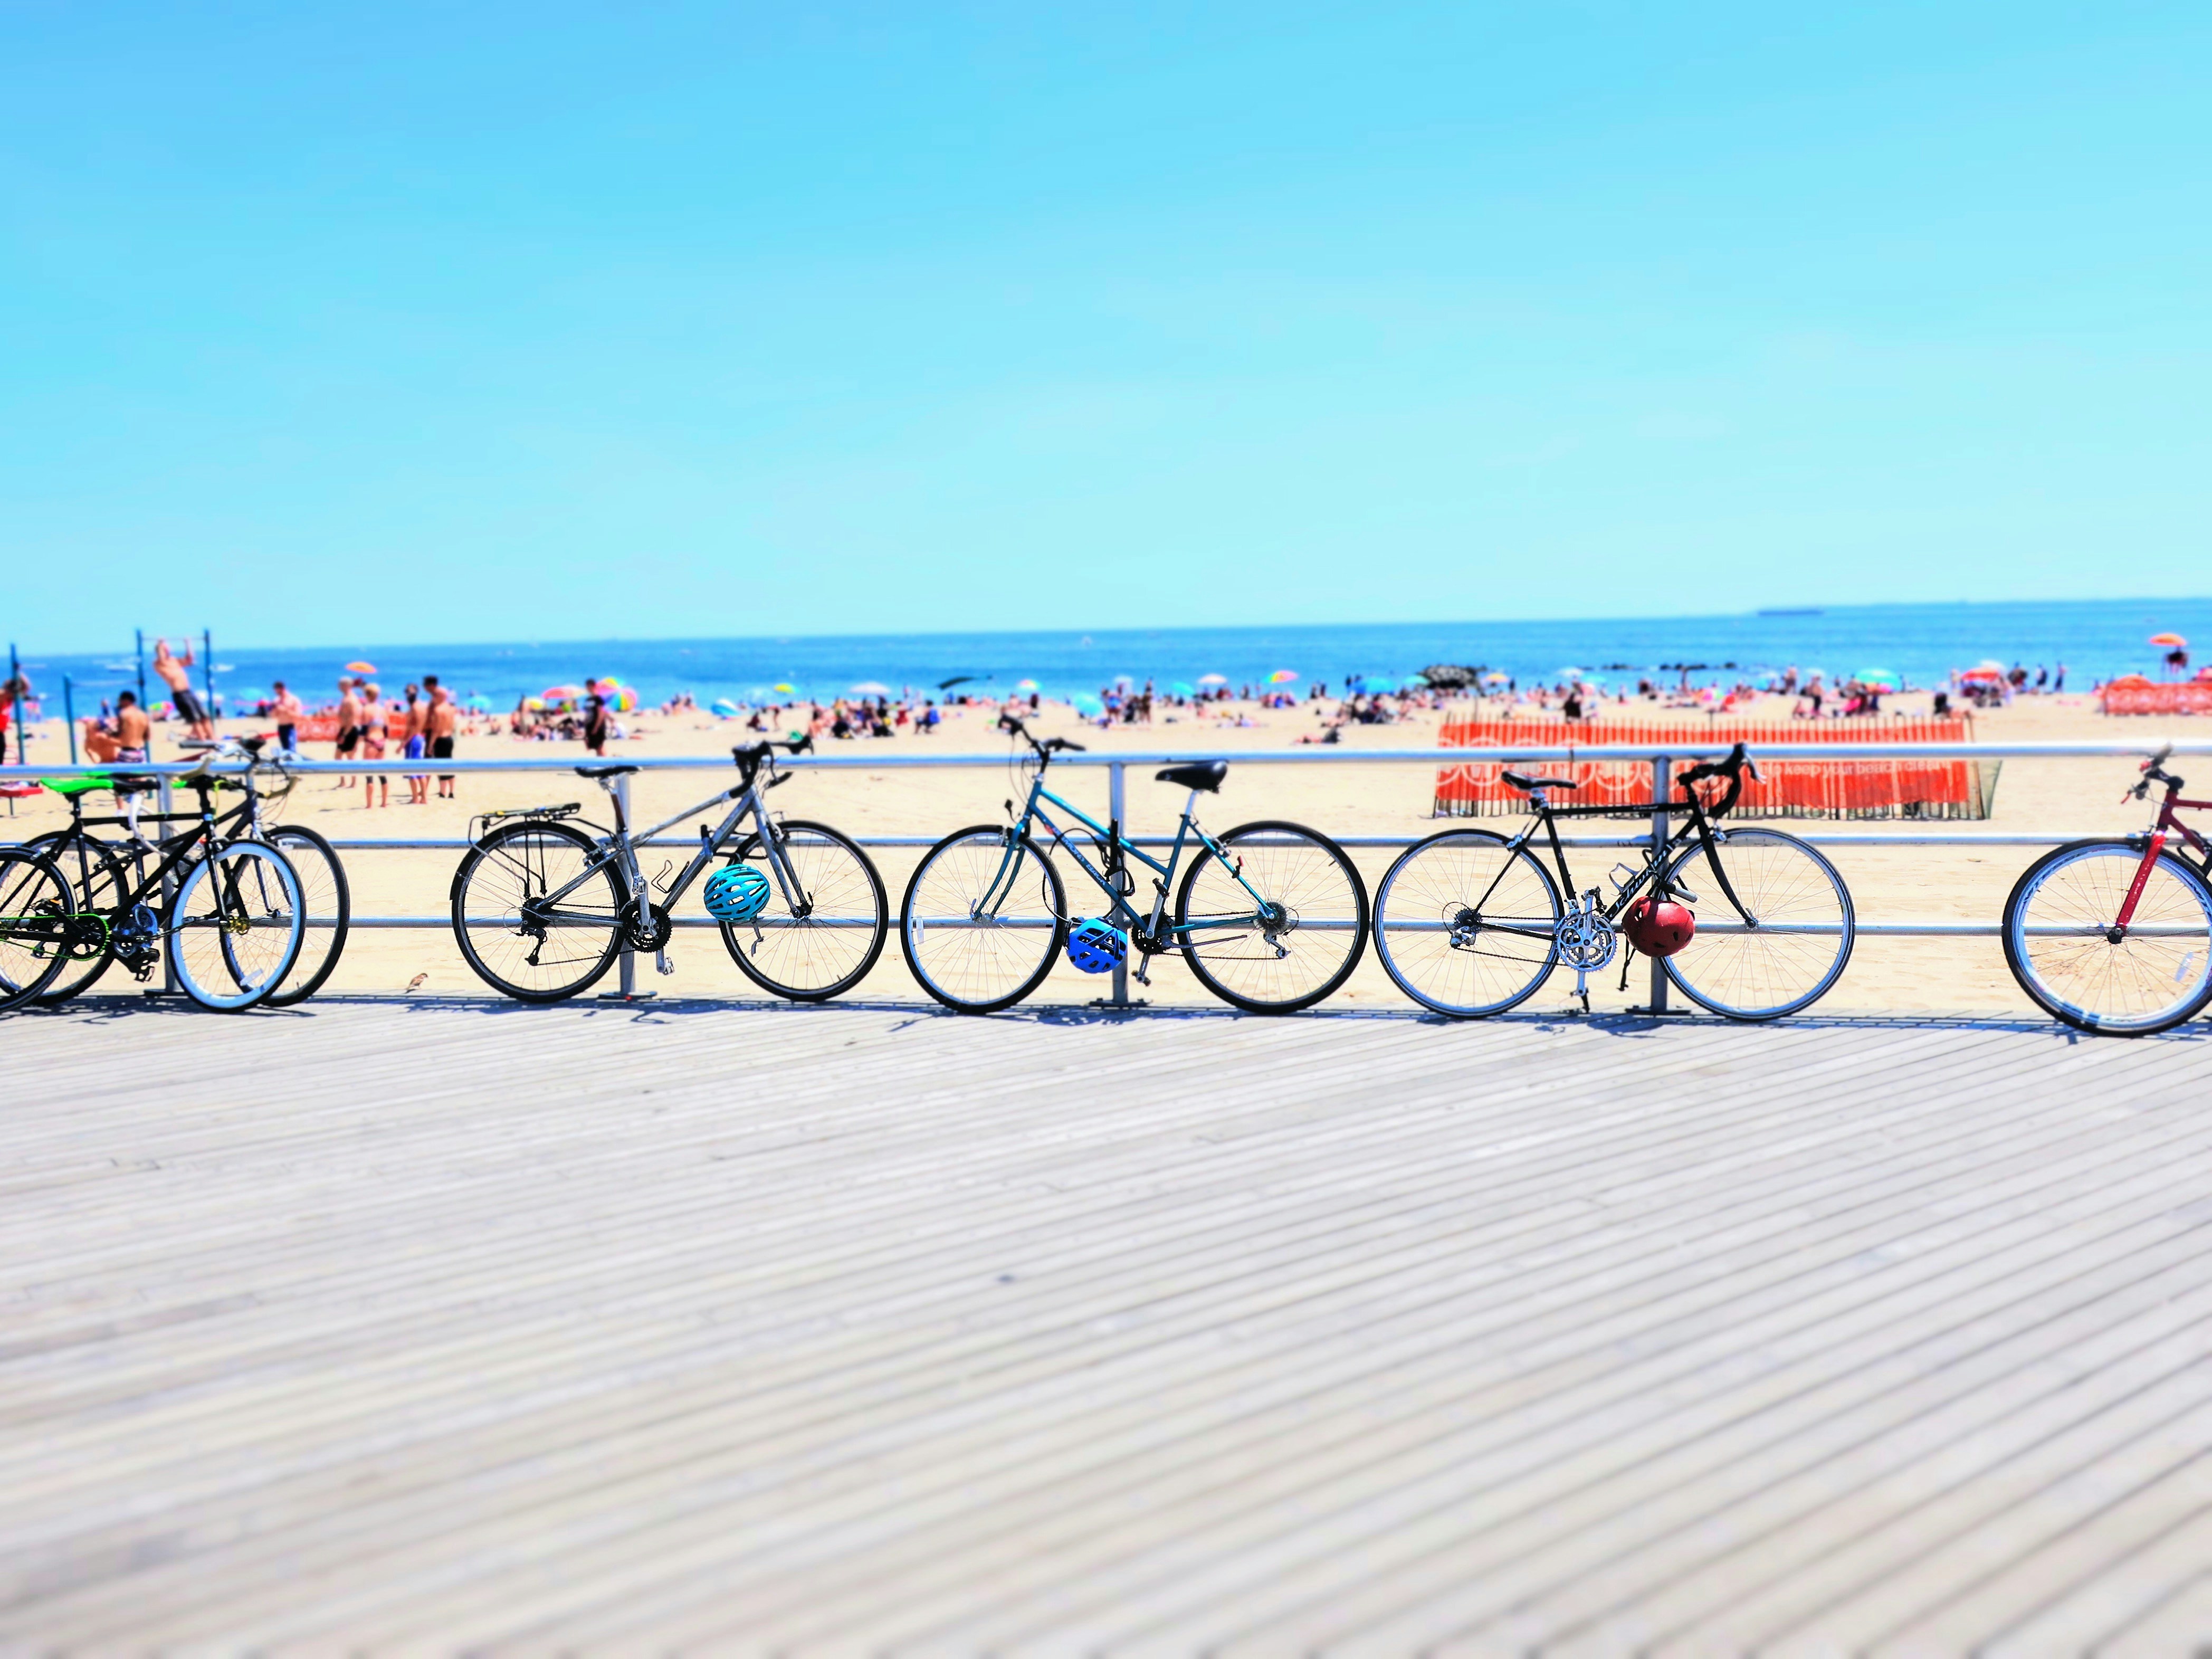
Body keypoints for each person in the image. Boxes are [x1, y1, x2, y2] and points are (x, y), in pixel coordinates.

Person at [152, 638, 215, 742]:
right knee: (195, 720)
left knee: (205, 717)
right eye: (165, 649)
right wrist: (160, 644)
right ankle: (203, 740)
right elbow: (162, 658)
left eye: (168, 648)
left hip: (188, 692)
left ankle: (213, 739)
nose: (168, 650)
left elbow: (190, 659)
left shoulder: (174, 660)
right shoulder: (158, 664)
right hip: (179, 694)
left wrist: (188, 644)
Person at [424, 683, 459, 799]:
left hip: (441, 739)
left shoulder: (438, 710)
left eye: (435, 695)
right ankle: (452, 792)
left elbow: (437, 730)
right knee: (450, 764)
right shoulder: (452, 709)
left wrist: (430, 745)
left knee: (442, 765)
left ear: (440, 696)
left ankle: (443, 792)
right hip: (450, 739)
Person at [358, 685, 388, 808]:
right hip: (381, 741)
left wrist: (357, 744)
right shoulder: (383, 710)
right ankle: (384, 803)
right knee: (382, 774)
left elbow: (364, 729)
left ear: (368, 695)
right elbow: (387, 729)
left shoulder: (366, 709)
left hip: (371, 741)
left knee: (369, 775)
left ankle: (370, 805)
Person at [400, 683, 428, 805]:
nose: (406, 694)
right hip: (421, 738)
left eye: (408, 693)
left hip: (414, 739)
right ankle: (424, 798)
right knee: (420, 769)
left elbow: (413, 729)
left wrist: (403, 743)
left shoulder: (414, 709)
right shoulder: (423, 707)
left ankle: (416, 798)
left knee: (412, 771)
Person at [335, 678, 363, 788]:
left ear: (347, 685)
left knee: (350, 756)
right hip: (345, 729)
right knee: (338, 756)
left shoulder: (351, 699)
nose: (339, 687)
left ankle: (353, 782)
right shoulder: (346, 698)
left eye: (341, 685)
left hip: (350, 730)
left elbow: (353, 718)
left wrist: (345, 734)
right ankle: (343, 781)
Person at [270, 680, 303, 755]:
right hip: (281, 727)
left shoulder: (293, 700)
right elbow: (272, 716)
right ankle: (287, 766)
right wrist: (275, 711)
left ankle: (294, 765)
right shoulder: (276, 700)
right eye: (277, 693)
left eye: (279, 692)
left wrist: (286, 711)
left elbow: (299, 715)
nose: (278, 694)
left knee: (291, 749)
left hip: (290, 727)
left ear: (283, 689)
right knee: (284, 750)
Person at [580, 678, 611, 756]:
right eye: (587, 687)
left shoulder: (598, 699)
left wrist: (596, 727)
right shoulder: (588, 699)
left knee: (600, 746)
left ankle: (606, 763)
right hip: (590, 725)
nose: (587, 688)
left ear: (593, 686)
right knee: (594, 746)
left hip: (598, 725)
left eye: (589, 686)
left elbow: (601, 713)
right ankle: (600, 763)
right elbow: (587, 713)